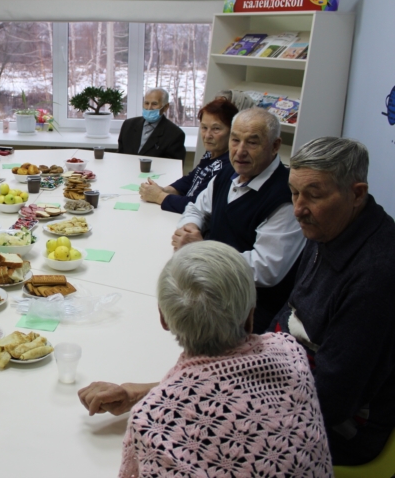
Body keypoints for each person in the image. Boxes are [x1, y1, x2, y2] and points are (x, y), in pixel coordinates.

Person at [78, 241, 332, 477]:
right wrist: (141, 394)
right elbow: (226, 389)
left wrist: (152, 397)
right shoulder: (290, 352)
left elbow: (214, 395)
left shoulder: (152, 421)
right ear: (250, 317)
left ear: (164, 319)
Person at [271, 137, 395, 465]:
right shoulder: (328, 226)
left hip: (344, 426)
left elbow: (332, 399)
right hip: (294, 377)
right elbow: (289, 312)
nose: (298, 208)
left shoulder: (377, 273)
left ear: (357, 193)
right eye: (294, 193)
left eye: (313, 195)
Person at [171, 107, 305, 331]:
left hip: (246, 311)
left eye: (252, 143)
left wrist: (203, 251)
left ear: (274, 146)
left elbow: (265, 269)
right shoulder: (227, 174)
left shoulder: (285, 197)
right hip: (209, 286)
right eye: (235, 140)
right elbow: (196, 208)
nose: (240, 151)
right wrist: (189, 229)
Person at [139, 97, 237, 213]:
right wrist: (163, 190)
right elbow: (191, 179)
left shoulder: (229, 166)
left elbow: (197, 205)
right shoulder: (212, 153)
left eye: (216, 129)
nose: (207, 135)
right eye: (204, 128)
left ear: (232, 131)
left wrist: (159, 196)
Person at [117, 88, 186, 161]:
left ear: (166, 107)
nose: (149, 108)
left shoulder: (175, 134)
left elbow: (174, 167)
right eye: (146, 103)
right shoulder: (128, 125)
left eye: (154, 104)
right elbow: (120, 156)